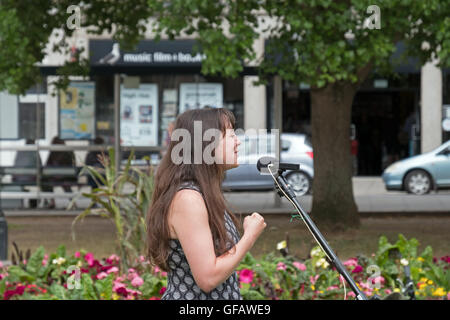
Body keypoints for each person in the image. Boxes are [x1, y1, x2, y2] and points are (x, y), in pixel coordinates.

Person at [146, 107, 267, 300]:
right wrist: (249, 236)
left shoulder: (203, 194)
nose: (238, 142)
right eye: (229, 135)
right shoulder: (188, 199)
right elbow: (208, 278)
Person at [42, 136, 76, 208]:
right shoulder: (69, 151)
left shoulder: (53, 152)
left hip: (59, 177)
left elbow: (47, 165)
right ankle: (73, 203)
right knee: (66, 186)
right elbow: (72, 165)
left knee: (45, 182)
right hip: (67, 177)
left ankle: (51, 202)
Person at [12, 139, 42, 208]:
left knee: (30, 183)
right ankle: (33, 203)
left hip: (18, 178)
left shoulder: (20, 151)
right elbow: (40, 165)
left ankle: (22, 203)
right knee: (36, 184)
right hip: (30, 179)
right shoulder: (35, 152)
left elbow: (15, 165)